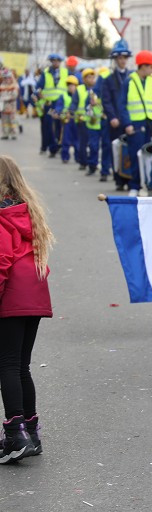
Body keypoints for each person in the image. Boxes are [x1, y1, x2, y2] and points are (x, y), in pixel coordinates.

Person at [0, 155, 54, 463]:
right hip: (34, 293)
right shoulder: (27, 211)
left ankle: (14, 433)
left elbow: (2, 261)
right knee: (21, 366)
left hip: (11, 295)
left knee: (6, 365)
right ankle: (32, 432)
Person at [120, 50, 152, 196]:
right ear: (143, 66)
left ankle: (149, 184)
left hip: (151, 124)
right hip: (136, 124)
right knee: (136, 154)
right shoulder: (129, 81)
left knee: (151, 156)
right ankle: (135, 185)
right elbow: (122, 104)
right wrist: (127, 124)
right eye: (151, 66)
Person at [100, 40, 133, 191]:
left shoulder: (132, 78)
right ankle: (119, 179)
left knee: (130, 149)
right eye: (119, 58)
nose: (122, 61)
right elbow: (106, 101)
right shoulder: (108, 79)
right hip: (114, 121)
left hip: (128, 120)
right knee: (116, 149)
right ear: (115, 59)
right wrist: (112, 117)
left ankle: (129, 178)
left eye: (125, 58)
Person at [34, 54, 67, 156]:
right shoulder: (46, 72)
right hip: (50, 104)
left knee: (60, 126)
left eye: (57, 61)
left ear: (60, 62)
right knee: (50, 126)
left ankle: (60, 145)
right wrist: (38, 94)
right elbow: (38, 87)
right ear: (51, 62)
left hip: (61, 104)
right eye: (53, 61)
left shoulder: (65, 72)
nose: (55, 63)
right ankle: (52, 148)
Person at [53, 76, 80, 165]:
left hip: (77, 120)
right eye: (69, 85)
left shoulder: (79, 95)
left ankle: (78, 157)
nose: (71, 87)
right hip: (67, 121)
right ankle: (65, 157)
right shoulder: (63, 96)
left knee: (77, 140)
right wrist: (57, 112)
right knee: (66, 139)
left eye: (73, 85)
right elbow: (59, 106)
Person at [0, 63, 17, 141]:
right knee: (4, 121)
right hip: (3, 107)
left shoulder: (13, 85)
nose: (6, 79)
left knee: (12, 121)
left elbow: (14, 95)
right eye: (5, 78)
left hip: (11, 106)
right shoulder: (1, 86)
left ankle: (13, 134)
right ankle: (5, 134)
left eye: (8, 78)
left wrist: (5, 98)